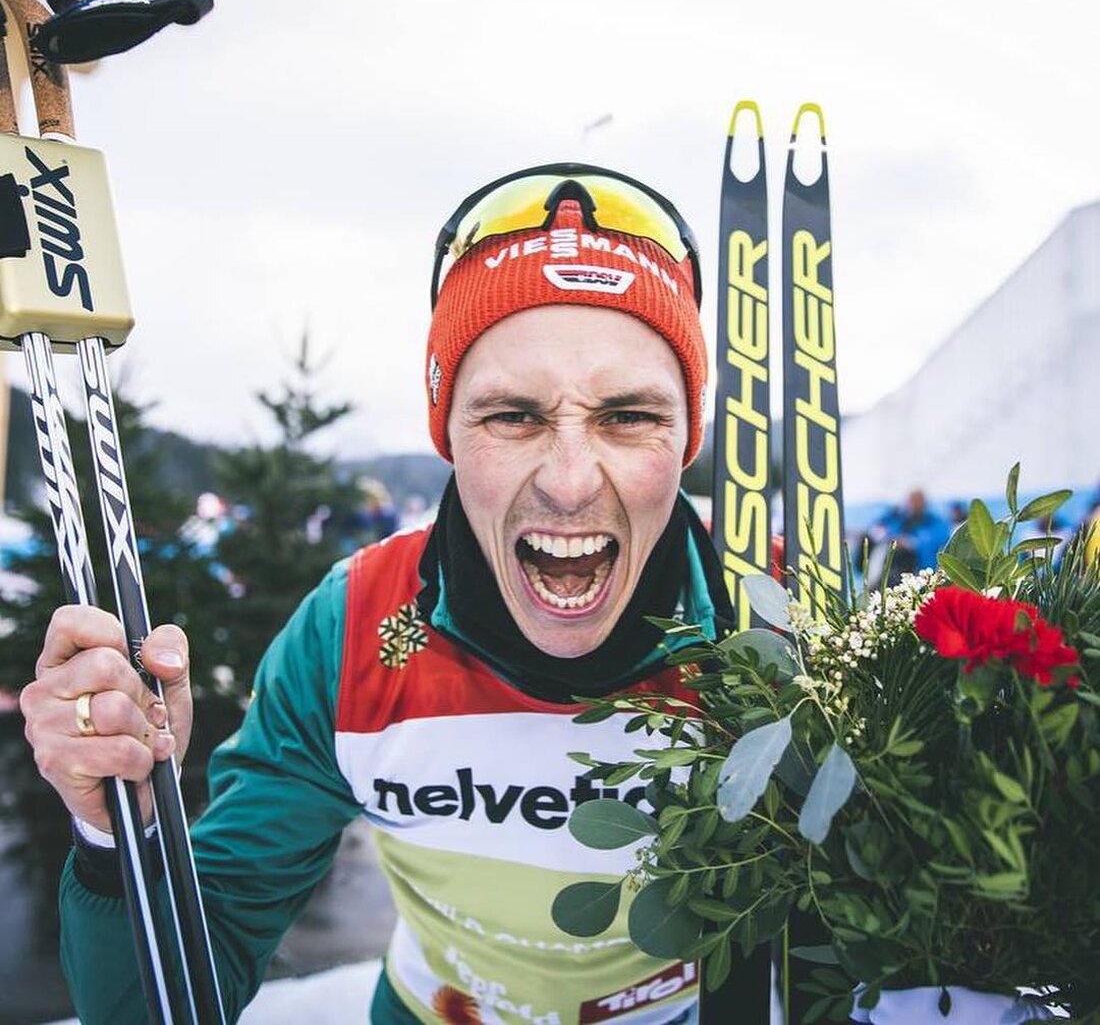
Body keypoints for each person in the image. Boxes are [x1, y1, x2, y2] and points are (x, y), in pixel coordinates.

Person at [19, 165, 732, 1024]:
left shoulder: (773, 635)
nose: (572, 483)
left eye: (628, 416)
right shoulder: (354, 626)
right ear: (449, 433)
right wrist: (120, 834)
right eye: (514, 416)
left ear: (687, 437)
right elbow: (157, 1004)